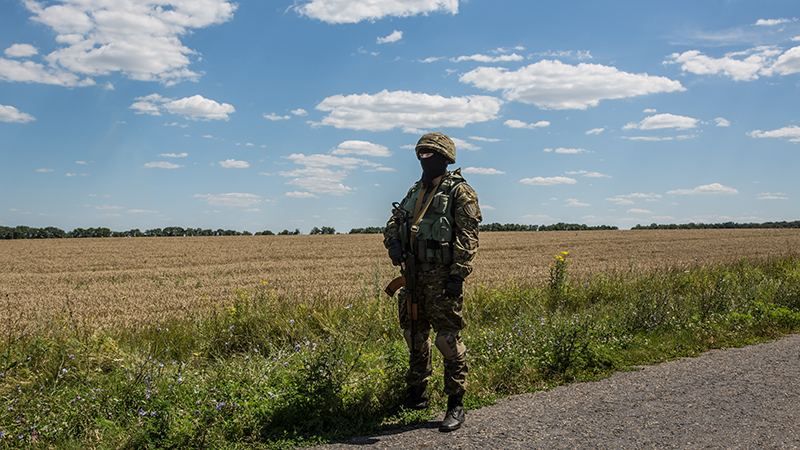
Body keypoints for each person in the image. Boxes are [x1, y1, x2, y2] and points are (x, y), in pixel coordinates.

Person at [383, 132, 482, 432]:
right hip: (413, 276)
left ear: (444, 158)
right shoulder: (415, 191)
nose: (424, 159)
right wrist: (393, 243)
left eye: (430, 154)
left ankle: (456, 403)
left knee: (447, 341)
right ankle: (417, 394)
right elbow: (393, 222)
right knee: (414, 335)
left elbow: (468, 236)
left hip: (443, 278)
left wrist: (458, 275)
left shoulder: (460, 192)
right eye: (421, 154)